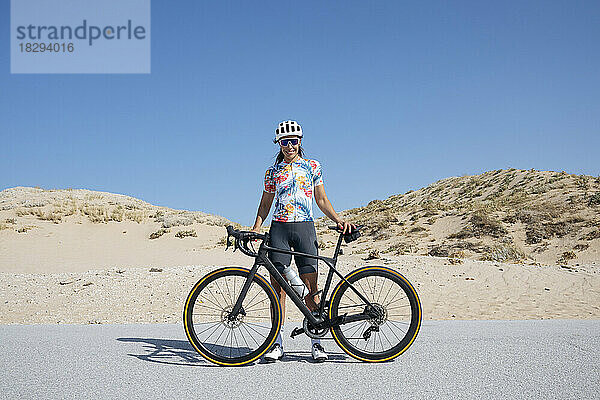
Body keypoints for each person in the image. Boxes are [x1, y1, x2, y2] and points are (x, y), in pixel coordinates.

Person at [251, 120, 355, 362]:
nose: (290, 146)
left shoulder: (312, 166)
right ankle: (277, 343)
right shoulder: (272, 172)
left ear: (300, 141)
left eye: (294, 141)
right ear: (279, 144)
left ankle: (316, 342)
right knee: (278, 289)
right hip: (279, 229)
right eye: (285, 142)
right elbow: (266, 203)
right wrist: (256, 227)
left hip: (305, 227)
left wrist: (338, 219)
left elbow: (321, 199)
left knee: (311, 287)